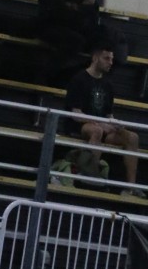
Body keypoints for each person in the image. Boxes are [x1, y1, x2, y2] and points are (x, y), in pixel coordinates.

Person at [57, 44, 140, 194]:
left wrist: (115, 124)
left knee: (132, 137)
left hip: (102, 126)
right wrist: (101, 123)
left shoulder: (108, 84)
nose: (110, 62)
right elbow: (75, 114)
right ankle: (91, 176)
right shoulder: (79, 79)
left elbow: (109, 115)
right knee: (97, 131)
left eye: (112, 59)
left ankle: (131, 188)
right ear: (95, 58)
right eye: (106, 58)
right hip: (79, 126)